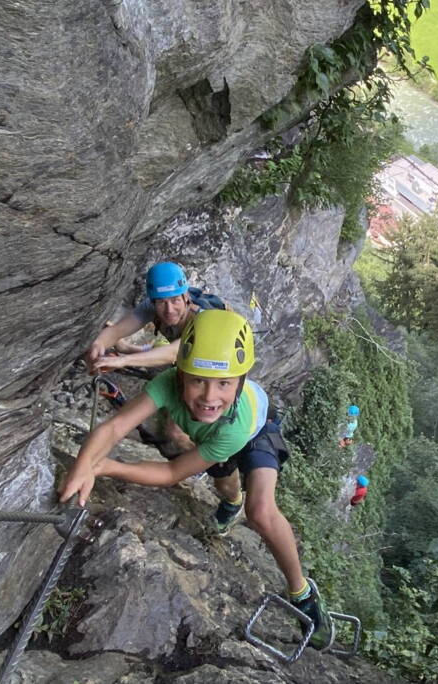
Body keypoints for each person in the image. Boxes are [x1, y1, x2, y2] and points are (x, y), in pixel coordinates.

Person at [59, 309, 334, 647]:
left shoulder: (231, 425)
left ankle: (302, 591)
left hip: (253, 431)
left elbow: (173, 472)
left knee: (261, 511)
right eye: (197, 380)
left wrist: (104, 467)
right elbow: (115, 427)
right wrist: (85, 464)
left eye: (224, 383)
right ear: (180, 376)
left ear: (240, 382)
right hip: (211, 434)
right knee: (224, 485)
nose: (209, 396)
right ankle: (231, 502)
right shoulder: (166, 385)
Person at [82, 262, 225, 375]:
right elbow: (115, 331)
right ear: (153, 301)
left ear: (186, 297)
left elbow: (173, 353)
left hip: (218, 360)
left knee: (175, 371)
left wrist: (123, 361)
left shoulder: (204, 319)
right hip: (177, 350)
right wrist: (98, 344)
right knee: (159, 351)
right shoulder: (151, 305)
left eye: (175, 300)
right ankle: (126, 348)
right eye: (162, 302)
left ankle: (126, 349)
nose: (169, 310)